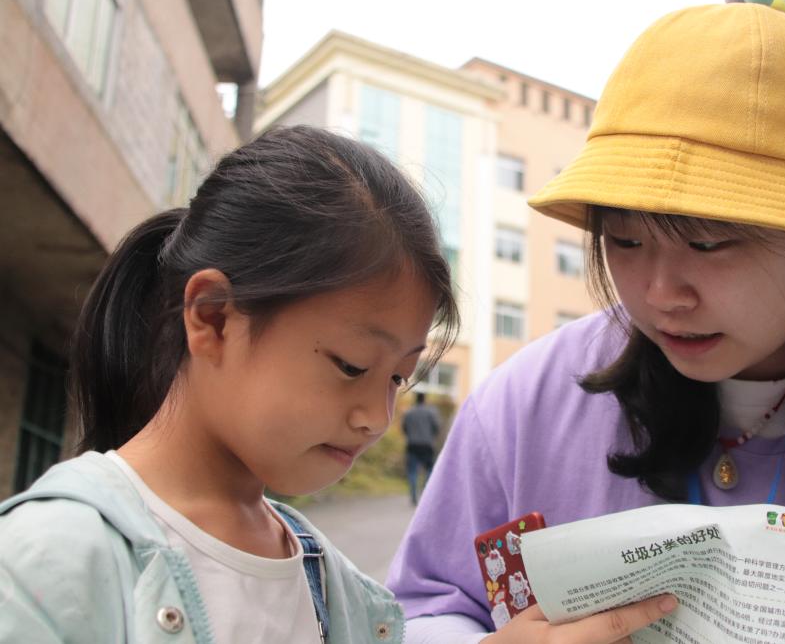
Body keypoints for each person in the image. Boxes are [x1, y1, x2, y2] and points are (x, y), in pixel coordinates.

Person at [387, 0, 785, 644]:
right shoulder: (526, 409)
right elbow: (418, 609)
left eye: (710, 243)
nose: (662, 293)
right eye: (624, 241)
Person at [0, 125, 462, 642]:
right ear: (214, 317)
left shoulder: (342, 594)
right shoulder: (48, 561)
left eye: (398, 377)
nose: (377, 418)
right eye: (352, 367)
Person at [403, 391, 442, 505]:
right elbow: (436, 427)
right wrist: (431, 436)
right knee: (429, 469)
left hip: (412, 445)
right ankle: (426, 493)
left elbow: (404, 428)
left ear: (415, 399)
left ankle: (413, 495)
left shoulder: (409, 412)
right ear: (424, 399)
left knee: (412, 471)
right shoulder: (431, 412)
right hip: (427, 445)